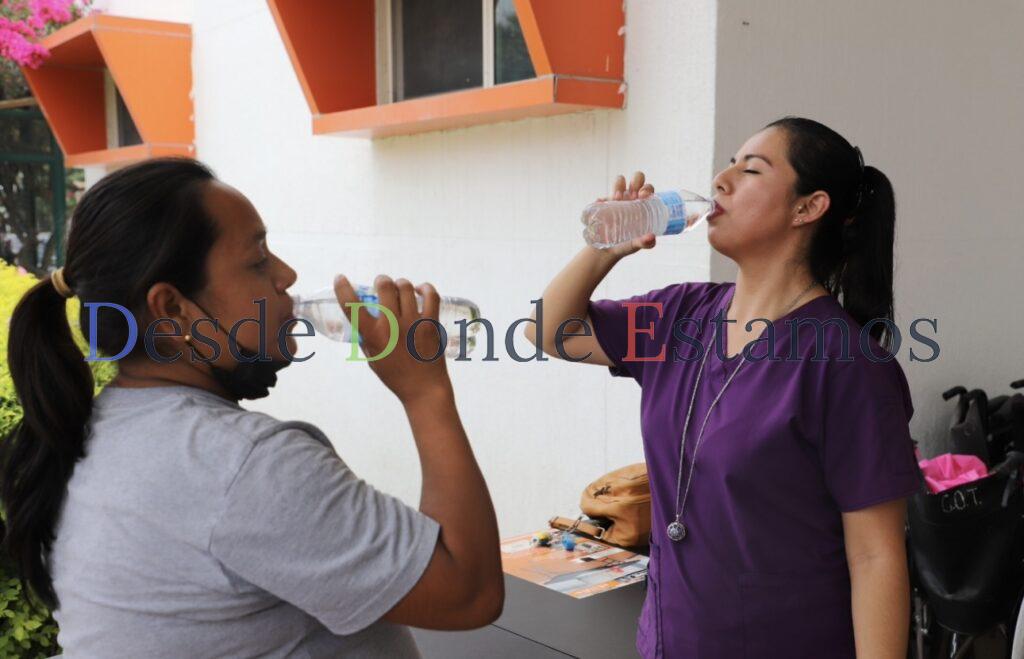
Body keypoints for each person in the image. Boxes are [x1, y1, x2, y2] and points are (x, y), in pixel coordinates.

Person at [0, 158, 503, 657]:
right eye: (258, 260)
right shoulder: (242, 464)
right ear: (173, 309)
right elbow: (468, 593)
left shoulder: (97, 428)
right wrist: (425, 393)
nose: (286, 275)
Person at [527, 117, 922, 658]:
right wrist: (603, 248)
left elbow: (876, 558)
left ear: (808, 208)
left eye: (751, 169)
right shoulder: (680, 316)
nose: (722, 179)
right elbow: (550, 332)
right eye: (729, 162)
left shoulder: (847, 363)